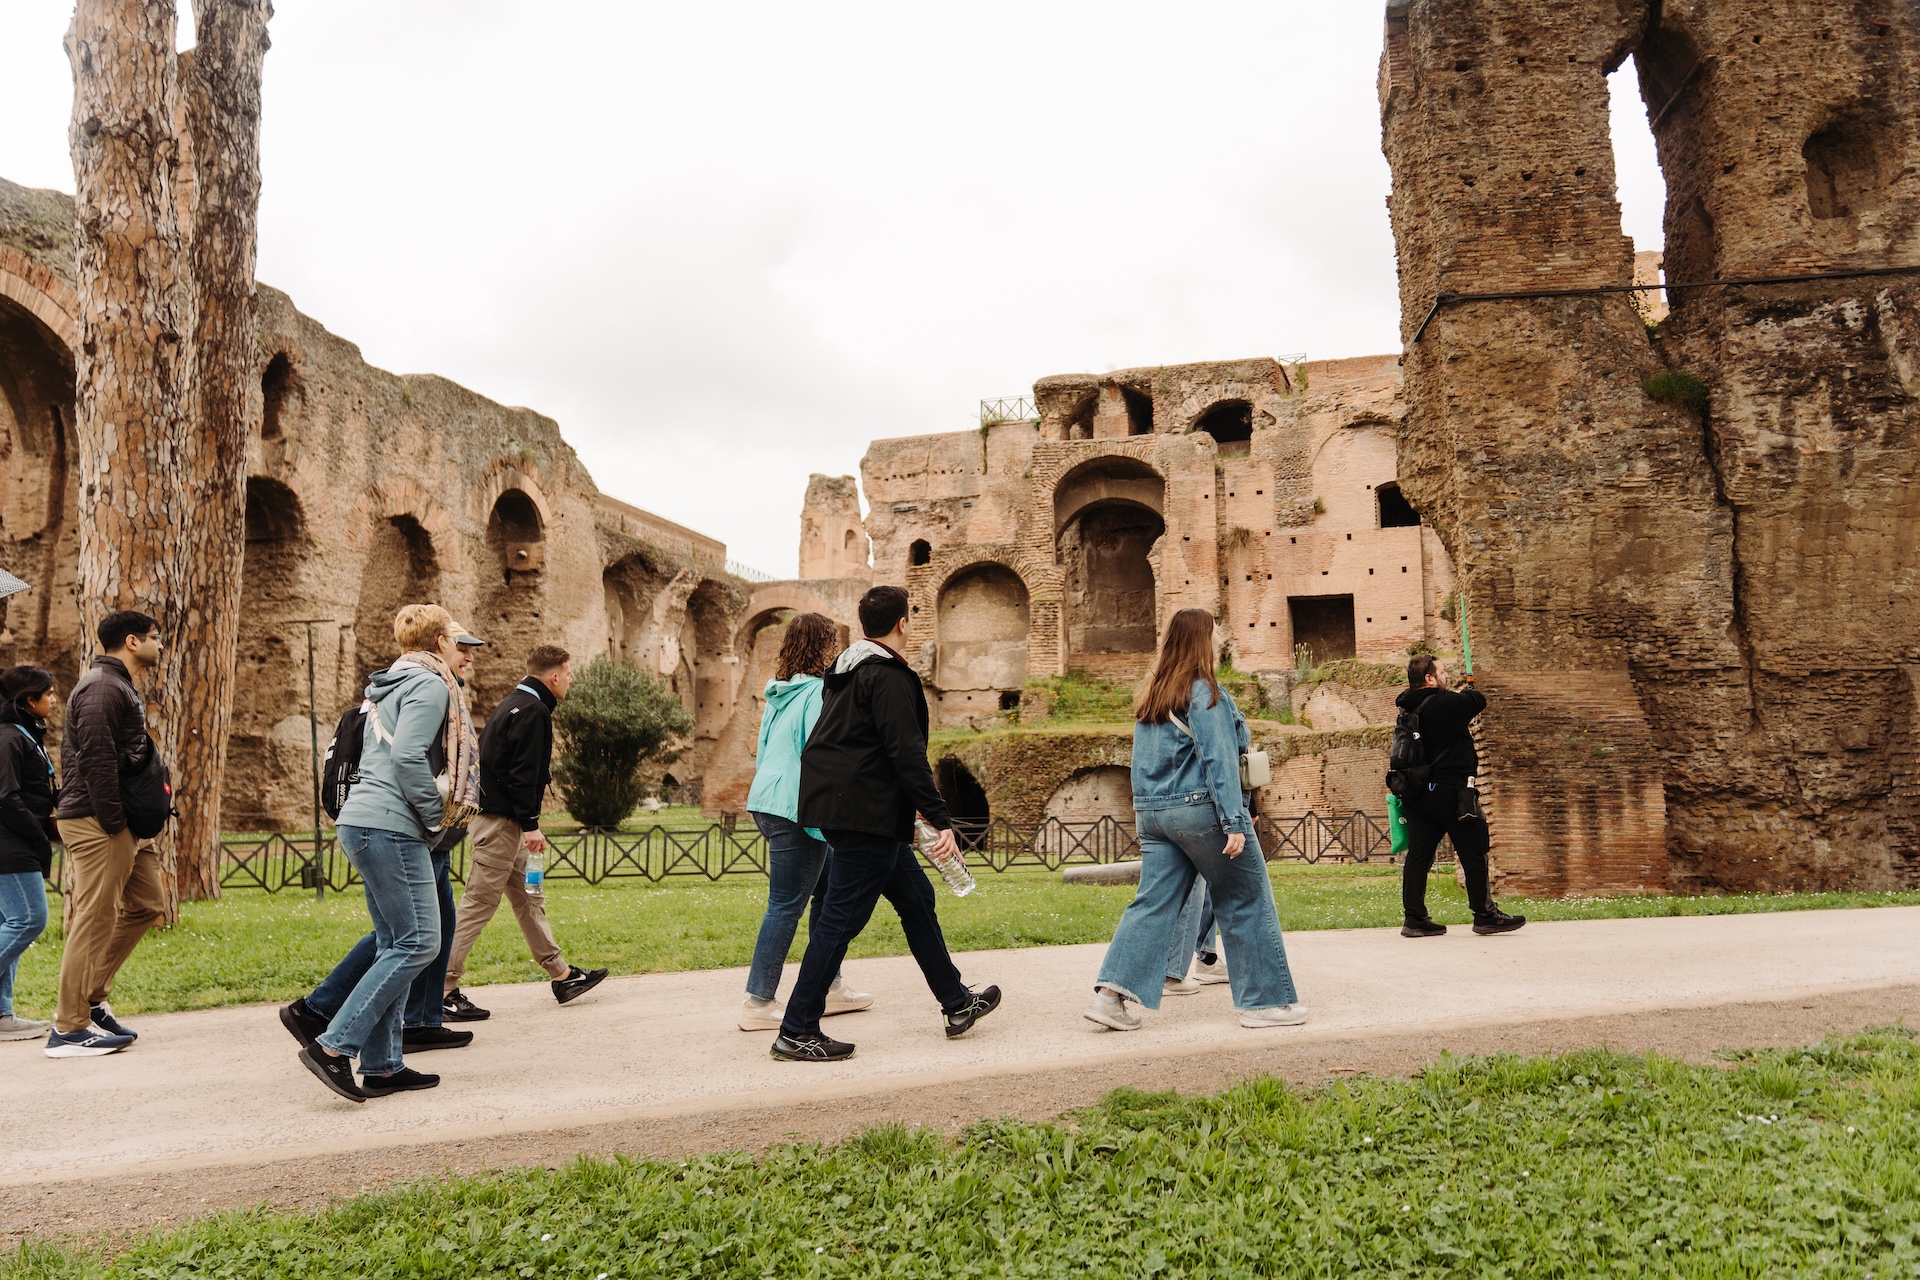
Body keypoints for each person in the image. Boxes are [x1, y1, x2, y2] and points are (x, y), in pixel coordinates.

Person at [773, 585, 1000, 1062]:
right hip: (866, 817)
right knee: (839, 921)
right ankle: (796, 1029)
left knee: (918, 899)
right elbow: (906, 754)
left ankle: (956, 1002)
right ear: (903, 623)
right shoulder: (887, 675)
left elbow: (850, 747)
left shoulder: (845, 673)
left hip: (858, 812)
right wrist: (941, 818)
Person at [1084, 607, 1307, 1032]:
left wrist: (1146, 817)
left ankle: (1111, 998)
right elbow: (1219, 760)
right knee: (1246, 896)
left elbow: (1139, 765)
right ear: (1203, 639)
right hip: (1200, 810)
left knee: (1152, 904)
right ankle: (1265, 1004)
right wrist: (1235, 821)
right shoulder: (1204, 691)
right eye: (1217, 631)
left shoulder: (1152, 695)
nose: (1221, 637)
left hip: (1154, 815)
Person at [279, 621, 489, 1056]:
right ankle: (334, 1044)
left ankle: (382, 1065)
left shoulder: (386, 686)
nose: (469, 655)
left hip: (365, 822)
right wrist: (436, 818)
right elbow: (407, 756)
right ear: (440, 642)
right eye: (461, 645)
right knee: (418, 944)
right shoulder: (431, 686)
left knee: (395, 943)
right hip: (391, 826)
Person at [441, 644, 606, 1020]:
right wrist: (532, 826)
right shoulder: (533, 712)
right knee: (479, 903)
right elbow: (523, 775)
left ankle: (562, 974)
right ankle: (442, 987)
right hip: (503, 826)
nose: (570, 680)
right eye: (568, 673)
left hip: (508, 824)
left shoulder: (515, 703)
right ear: (554, 677)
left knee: (530, 896)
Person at [738, 612, 873, 1031]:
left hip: (768, 799)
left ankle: (830, 987)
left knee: (828, 893)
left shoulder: (779, 693)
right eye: (831, 643)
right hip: (796, 807)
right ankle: (758, 1004)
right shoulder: (817, 693)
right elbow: (822, 758)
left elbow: (764, 752)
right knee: (785, 904)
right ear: (824, 646)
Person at [47, 610, 166, 1058]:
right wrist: (116, 823)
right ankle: (69, 1028)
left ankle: (92, 998)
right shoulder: (100, 686)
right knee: (94, 917)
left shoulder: (118, 685)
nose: (161, 645)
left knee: (147, 904)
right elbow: (96, 760)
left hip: (122, 821)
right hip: (99, 820)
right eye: (156, 638)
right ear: (132, 641)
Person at [1394, 654, 1526, 938]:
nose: (1445, 676)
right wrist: (1469, 689)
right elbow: (1476, 701)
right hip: (1452, 792)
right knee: (1474, 849)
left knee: (1419, 855)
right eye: (1441, 672)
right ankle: (1485, 914)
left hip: (1419, 793)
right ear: (1429, 678)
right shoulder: (1445, 703)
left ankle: (1414, 918)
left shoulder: (1407, 709)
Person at [0, 667, 57, 1042]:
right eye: (48, 693)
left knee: (10, 926)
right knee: (29, 920)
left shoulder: (25, 735)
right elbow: (5, 797)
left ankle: (2, 1015)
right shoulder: (8, 738)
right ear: (28, 700)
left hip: (19, 841)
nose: (54, 699)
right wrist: (39, 835)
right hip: (11, 845)